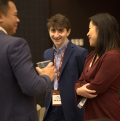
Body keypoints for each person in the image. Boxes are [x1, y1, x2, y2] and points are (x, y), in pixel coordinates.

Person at [0, 0, 57, 121]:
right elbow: (32, 86)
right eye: (15, 15)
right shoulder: (15, 45)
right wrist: (47, 77)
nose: (18, 20)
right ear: (1, 16)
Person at [75, 13, 120, 121]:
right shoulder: (92, 55)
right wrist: (78, 90)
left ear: (101, 30)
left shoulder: (112, 56)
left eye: (90, 29)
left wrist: (80, 87)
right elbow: (79, 81)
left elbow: (95, 88)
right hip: (90, 113)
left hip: (106, 114)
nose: (87, 33)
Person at [43, 14, 88, 121]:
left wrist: (81, 106)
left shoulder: (80, 53)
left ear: (68, 32)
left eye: (60, 31)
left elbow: (86, 81)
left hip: (72, 108)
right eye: (53, 30)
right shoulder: (47, 54)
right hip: (51, 106)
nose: (56, 34)